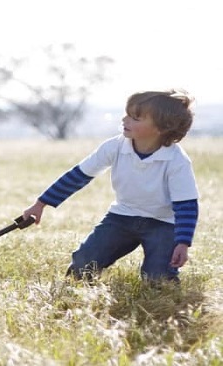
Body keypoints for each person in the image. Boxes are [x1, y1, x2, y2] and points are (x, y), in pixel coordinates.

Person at [23, 90, 199, 282]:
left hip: (163, 224)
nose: (125, 120)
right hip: (122, 217)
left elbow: (186, 205)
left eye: (135, 118)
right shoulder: (114, 146)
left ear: (162, 128)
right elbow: (78, 176)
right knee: (82, 267)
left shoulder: (176, 160)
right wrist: (41, 204)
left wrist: (182, 243)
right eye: (127, 114)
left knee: (158, 279)